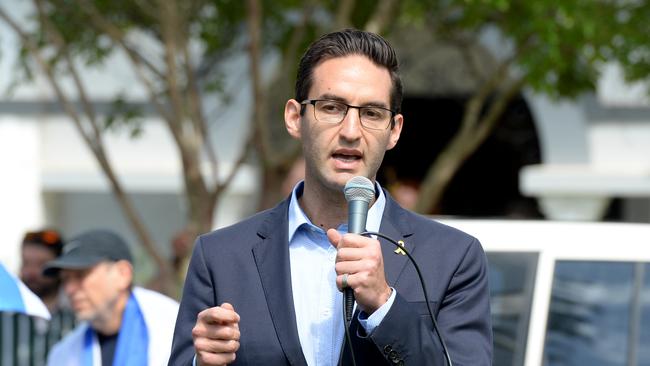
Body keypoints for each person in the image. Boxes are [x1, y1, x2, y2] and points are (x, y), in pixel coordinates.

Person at [169, 29, 492, 366]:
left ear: (394, 130)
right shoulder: (220, 257)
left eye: (371, 113)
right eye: (332, 107)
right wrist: (202, 363)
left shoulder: (453, 258)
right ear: (295, 118)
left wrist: (384, 304)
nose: (351, 131)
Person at [43, 229, 179, 366]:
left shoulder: (173, 327)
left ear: (123, 274)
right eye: (65, 279)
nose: (69, 289)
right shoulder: (63, 354)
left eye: (80, 275)